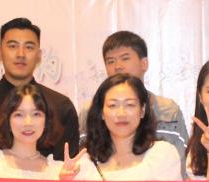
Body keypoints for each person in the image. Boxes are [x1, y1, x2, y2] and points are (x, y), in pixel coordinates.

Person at [0, 17, 79, 167]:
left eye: (29, 47)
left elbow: (65, 164)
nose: (21, 54)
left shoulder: (61, 106)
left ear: (39, 55)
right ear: (0, 53)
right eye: (12, 46)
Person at [79, 31, 188, 163]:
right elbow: (83, 158)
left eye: (125, 58)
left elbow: (182, 163)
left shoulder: (168, 110)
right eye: (110, 61)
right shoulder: (90, 110)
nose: (118, 67)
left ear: (144, 63)